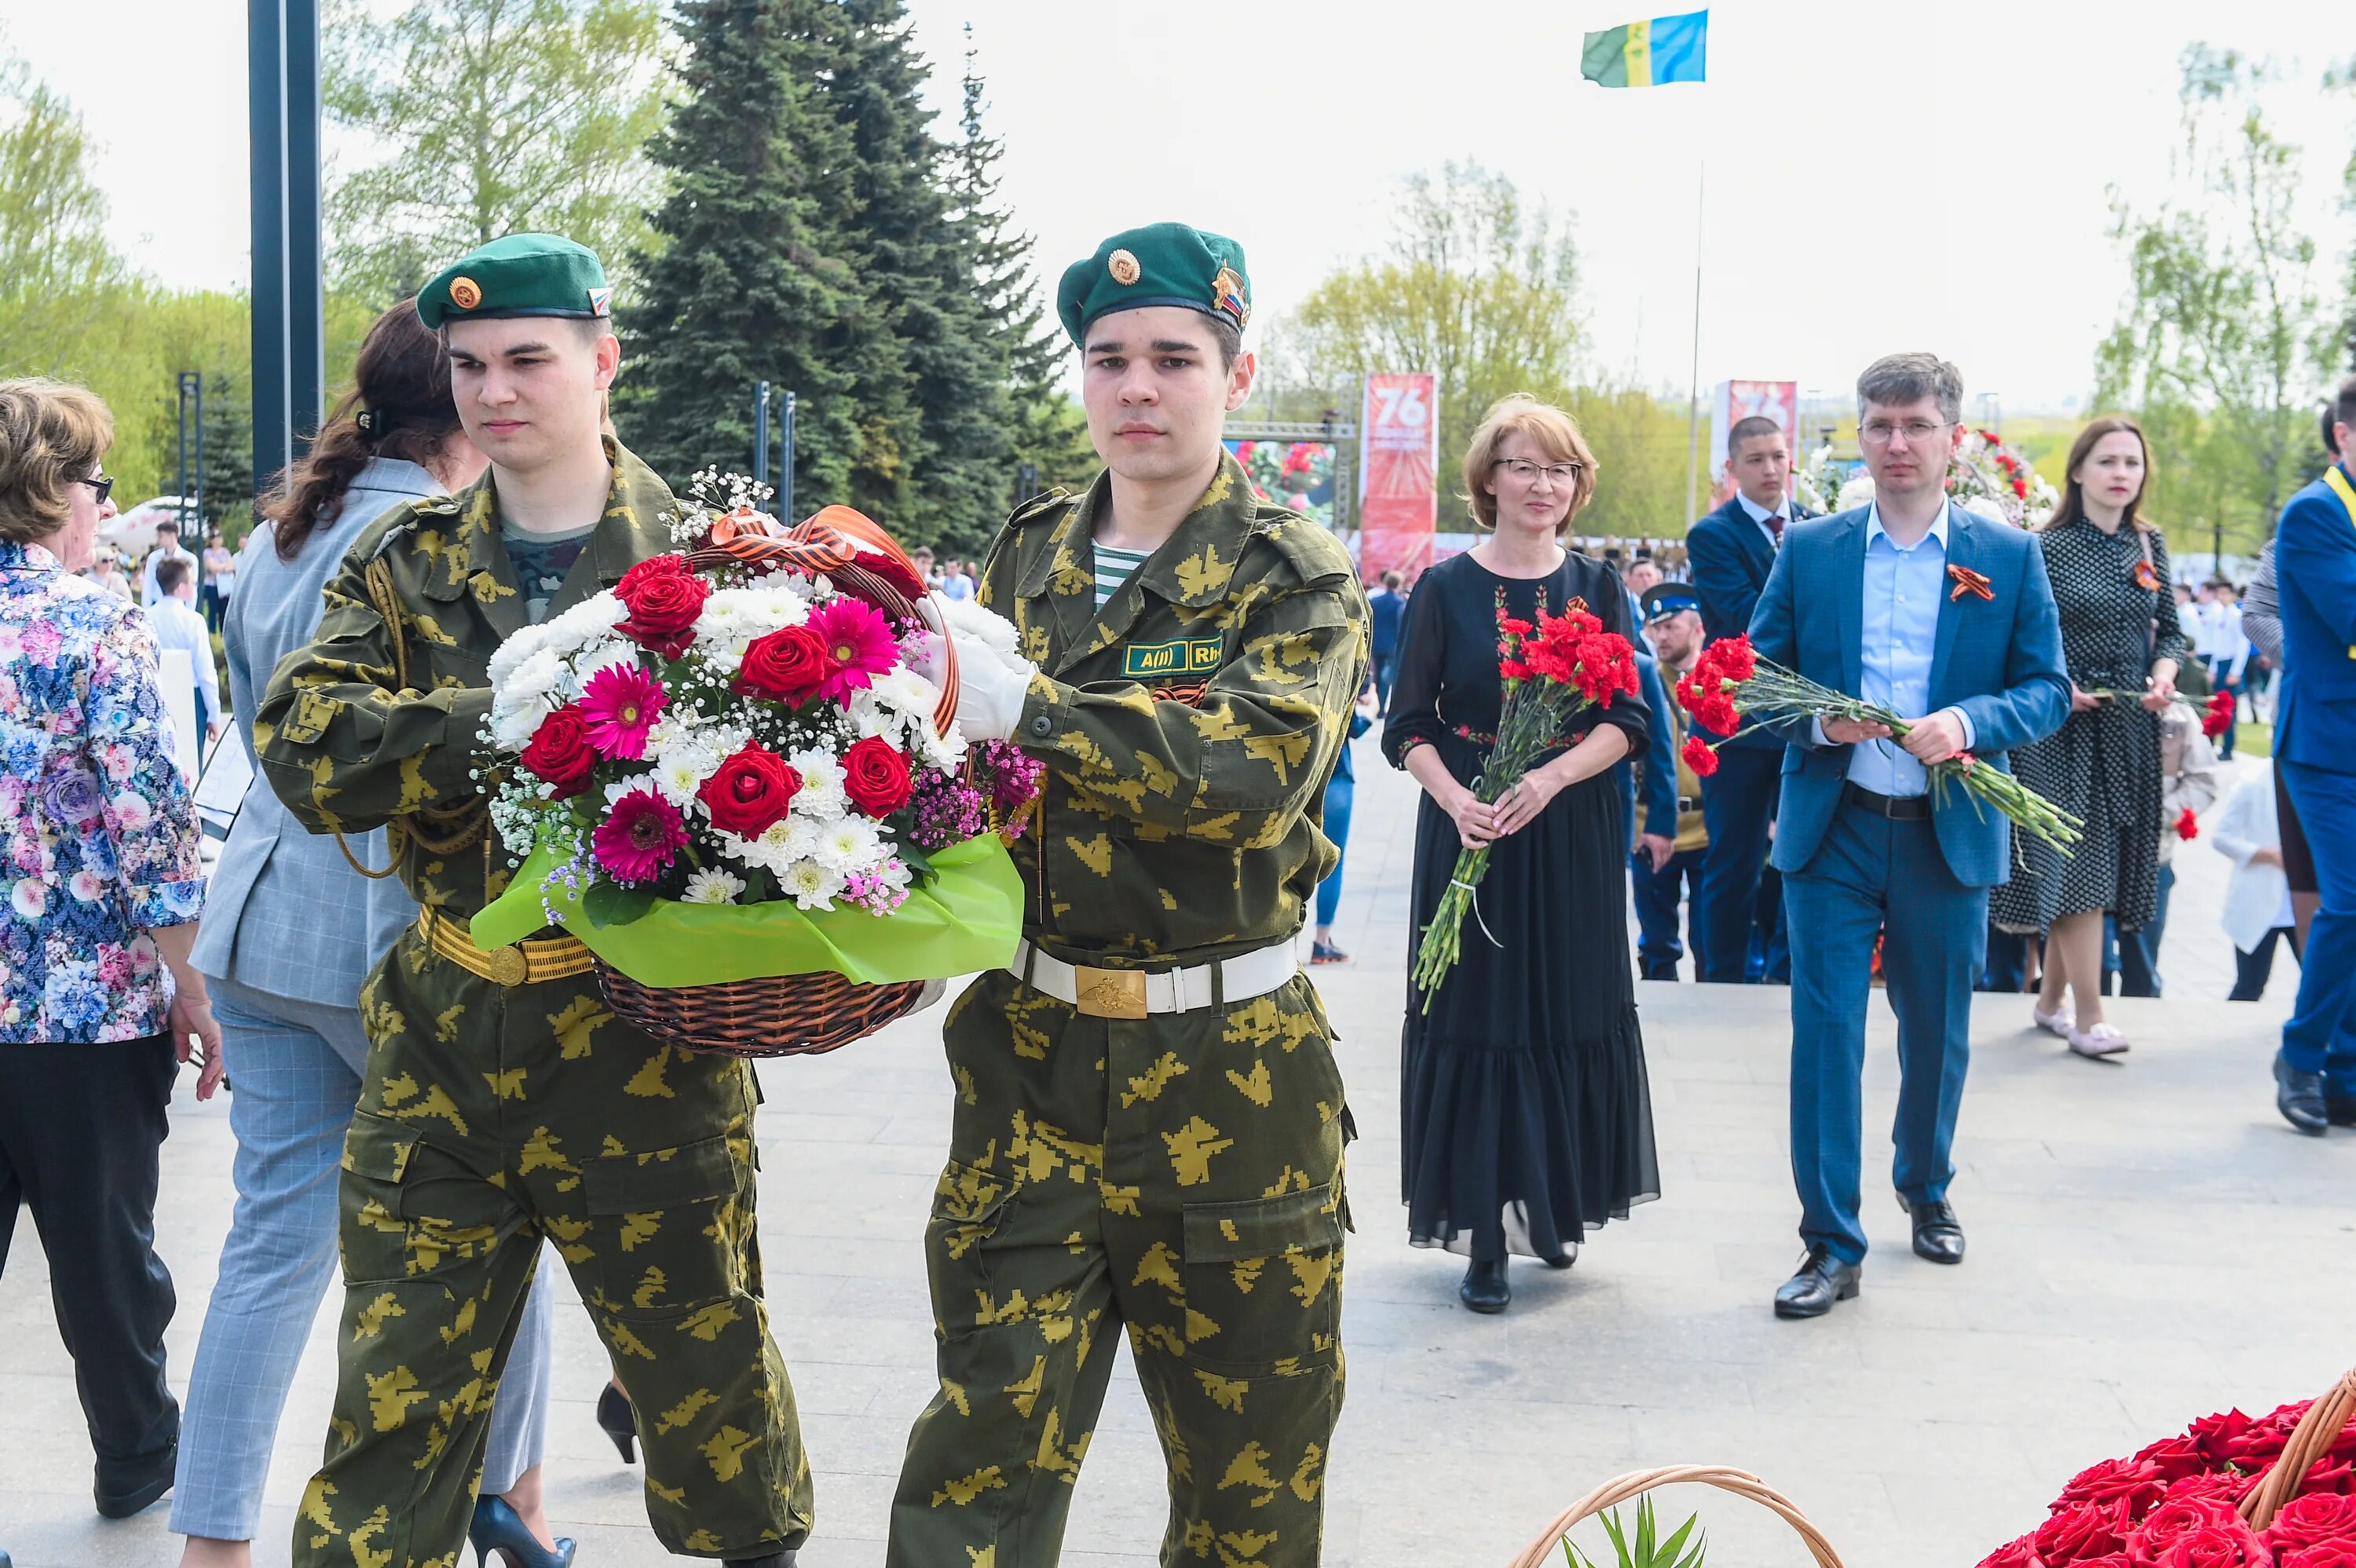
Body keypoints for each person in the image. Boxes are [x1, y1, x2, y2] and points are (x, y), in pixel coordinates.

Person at [256, 236, 810, 1568]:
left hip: (649, 1054)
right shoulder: (405, 562)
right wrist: (506, 719)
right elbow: (304, 742)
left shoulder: (713, 566)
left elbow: (807, 791)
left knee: (711, 1413)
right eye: (467, 367)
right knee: (390, 1423)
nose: (494, 391)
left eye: (527, 359)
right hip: (443, 1048)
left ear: (603, 360)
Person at [882, 223, 1366, 1567]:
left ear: (1238, 372)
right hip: (1030, 1066)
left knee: (1248, 1496)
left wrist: (1030, 706)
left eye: (1172, 358)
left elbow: (1250, 776)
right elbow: (967, 778)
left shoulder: (1295, 572)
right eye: (1108, 360)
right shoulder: (1029, 550)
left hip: (1233, 1084)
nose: (1137, 388)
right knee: (975, 1464)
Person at [171, 302, 569, 1568]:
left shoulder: (290, 527)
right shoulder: (431, 537)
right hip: (378, 926)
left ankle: (213, 1542)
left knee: (271, 1245)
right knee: (510, 1212)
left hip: (258, 920)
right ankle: (516, 1494)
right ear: (458, 402)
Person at [1749, 353, 2068, 1319]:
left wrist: (1969, 724)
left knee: (1936, 1027)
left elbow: (2046, 689)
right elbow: (1754, 676)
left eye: (1917, 425)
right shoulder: (1811, 549)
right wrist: (1815, 720)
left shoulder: (2007, 557)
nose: (1897, 443)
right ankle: (1829, 1241)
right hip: (1835, 824)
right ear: (1862, 434)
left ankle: (1925, 1183)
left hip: (1948, 826)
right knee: (1827, 1036)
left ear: (1952, 438)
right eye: (1880, 425)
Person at [1385, 393, 1659, 1314]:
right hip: (1471, 824)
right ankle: (1484, 1238)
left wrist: (1548, 780)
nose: (1544, 484)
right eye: (1524, 466)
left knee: (1566, 1011)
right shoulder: (1443, 589)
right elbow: (1407, 725)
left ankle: (1553, 1207)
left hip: (1570, 827)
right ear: (1487, 480)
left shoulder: (1600, 587)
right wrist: (1459, 796)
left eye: (1561, 469)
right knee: (1481, 1014)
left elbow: (1629, 720)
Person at [0, 378, 219, 1519]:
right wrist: (194, 980)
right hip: (80, 1012)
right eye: (98, 484)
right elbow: (149, 823)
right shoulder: (93, 624)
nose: (104, 505)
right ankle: (137, 1455)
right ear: (52, 492)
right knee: (104, 1260)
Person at [1987, 417, 2183, 1058]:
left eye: (2132, 462)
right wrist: (2056, 685)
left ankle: (2049, 1002)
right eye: (2108, 462)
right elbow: (2015, 637)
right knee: (2082, 862)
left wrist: (2163, 672)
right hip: (2059, 727)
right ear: (2078, 471)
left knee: (2112, 861)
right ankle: (2090, 1017)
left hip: (2129, 724)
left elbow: (2174, 633)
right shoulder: (2045, 547)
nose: (2122, 474)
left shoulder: (2149, 546)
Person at [1687, 414, 1816, 984]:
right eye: (1756, 459)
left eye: (1778, 456)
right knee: (1733, 863)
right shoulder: (1713, 535)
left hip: (1808, 723)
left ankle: (1789, 974)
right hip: (1737, 726)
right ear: (1732, 468)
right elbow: (1745, 618)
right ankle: (1722, 978)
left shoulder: (1818, 527)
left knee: (1801, 859)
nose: (1770, 468)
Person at [2263, 373, 2356, 1135]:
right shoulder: (2314, 514)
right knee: (2351, 901)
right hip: (2327, 744)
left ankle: (2346, 1069)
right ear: (2344, 435)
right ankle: (2301, 1053)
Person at [1632, 582, 1710, 981]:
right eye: (1655, 628)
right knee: (1657, 946)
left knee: (1710, 941)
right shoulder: (1642, 680)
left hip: (1709, 831)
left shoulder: (1721, 682)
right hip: (1651, 828)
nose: (1660, 636)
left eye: (1671, 627)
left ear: (1698, 629)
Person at [2116, 698, 2219, 998]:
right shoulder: (2089, 700)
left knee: (2143, 962)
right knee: (2097, 961)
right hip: (2093, 858)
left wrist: (2154, 815)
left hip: (2153, 856)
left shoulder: (2178, 714)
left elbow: (2203, 781)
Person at [2213, 763, 2296, 1003]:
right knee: (2250, 985)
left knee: (2324, 982)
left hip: (2306, 903)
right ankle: (2227, 1033)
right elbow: (2222, 837)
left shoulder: (2323, 779)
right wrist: (2267, 855)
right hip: (2260, 902)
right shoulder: (2253, 782)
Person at [1310, 696, 1375, 963]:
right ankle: (1321, 941)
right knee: (1333, 863)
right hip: (1335, 782)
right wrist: (1373, 708)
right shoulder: (1339, 681)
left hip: (1295, 782)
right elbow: (1356, 727)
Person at [147, 555, 224, 746]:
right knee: (191, 764)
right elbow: (205, 671)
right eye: (192, 582)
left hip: (156, 697)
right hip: (191, 696)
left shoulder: (146, 618)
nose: (194, 586)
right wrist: (214, 715)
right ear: (181, 587)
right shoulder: (193, 621)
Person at [2203, 581, 2248, 758]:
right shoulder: (2219, 614)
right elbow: (2216, 644)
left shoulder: (2237, 615)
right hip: (2219, 663)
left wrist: (2236, 671)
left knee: (2228, 708)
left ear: (2233, 595)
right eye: (2219, 593)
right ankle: (2212, 743)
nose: (2222, 597)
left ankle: (2228, 748)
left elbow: (2242, 645)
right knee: (2214, 706)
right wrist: (2213, 668)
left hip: (2231, 664)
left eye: (2225, 593)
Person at [1367, 566, 1407, 711]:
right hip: (1392, 645)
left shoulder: (1374, 601)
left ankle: (1374, 702)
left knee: (1374, 675)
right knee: (1386, 678)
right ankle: (1381, 706)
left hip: (1374, 642)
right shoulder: (1400, 603)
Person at [140, 514, 199, 608]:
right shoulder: (154, 558)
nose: (158, 540)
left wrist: (190, 611)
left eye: (161, 536)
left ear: (172, 536)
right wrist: (146, 610)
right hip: (157, 605)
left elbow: (192, 587)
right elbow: (148, 585)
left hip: (180, 606)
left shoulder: (189, 559)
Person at [199, 526, 235, 629]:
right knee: (213, 610)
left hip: (224, 585)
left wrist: (220, 568)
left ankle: (223, 630)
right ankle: (212, 631)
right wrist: (224, 567)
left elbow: (231, 566)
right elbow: (212, 568)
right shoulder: (207, 552)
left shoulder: (225, 551)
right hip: (212, 584)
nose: (218, 540)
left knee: (224, 610)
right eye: (215, 537)